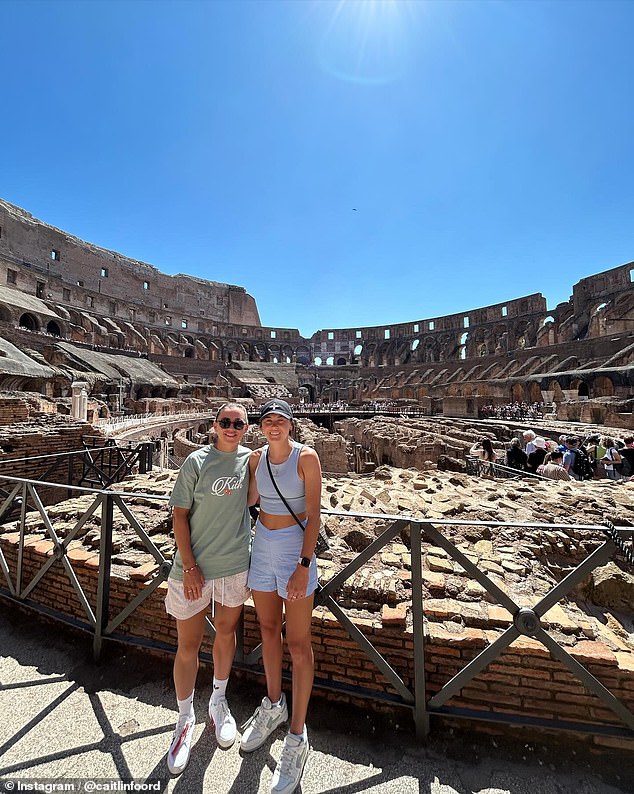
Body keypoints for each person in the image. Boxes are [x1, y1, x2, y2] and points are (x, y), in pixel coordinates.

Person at [164, 402, 251, 774]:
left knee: (226, 634)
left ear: (248, 428)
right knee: (188, 645)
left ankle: (218, 701)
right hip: (195, 569)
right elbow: (178, 515)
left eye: (239, 423)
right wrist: (190, 566)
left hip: (235, 566)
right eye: (226, 422)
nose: (232, 428)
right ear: (215, 425)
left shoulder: (253, 461)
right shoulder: (196, 462)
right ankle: (184, 720)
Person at [241, 399, 322, 794]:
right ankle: (273, 704)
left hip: (294, 548)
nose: (274, 426)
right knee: (268, 629)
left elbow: (315, 516)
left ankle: (297, 735)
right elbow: (249, 501)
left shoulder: (307, 458)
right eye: (267, 421)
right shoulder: (255, 460)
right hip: (263, 545)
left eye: (280, 421)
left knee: (298, 642)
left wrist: (304, 565)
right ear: (261, 426)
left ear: (290, 425)